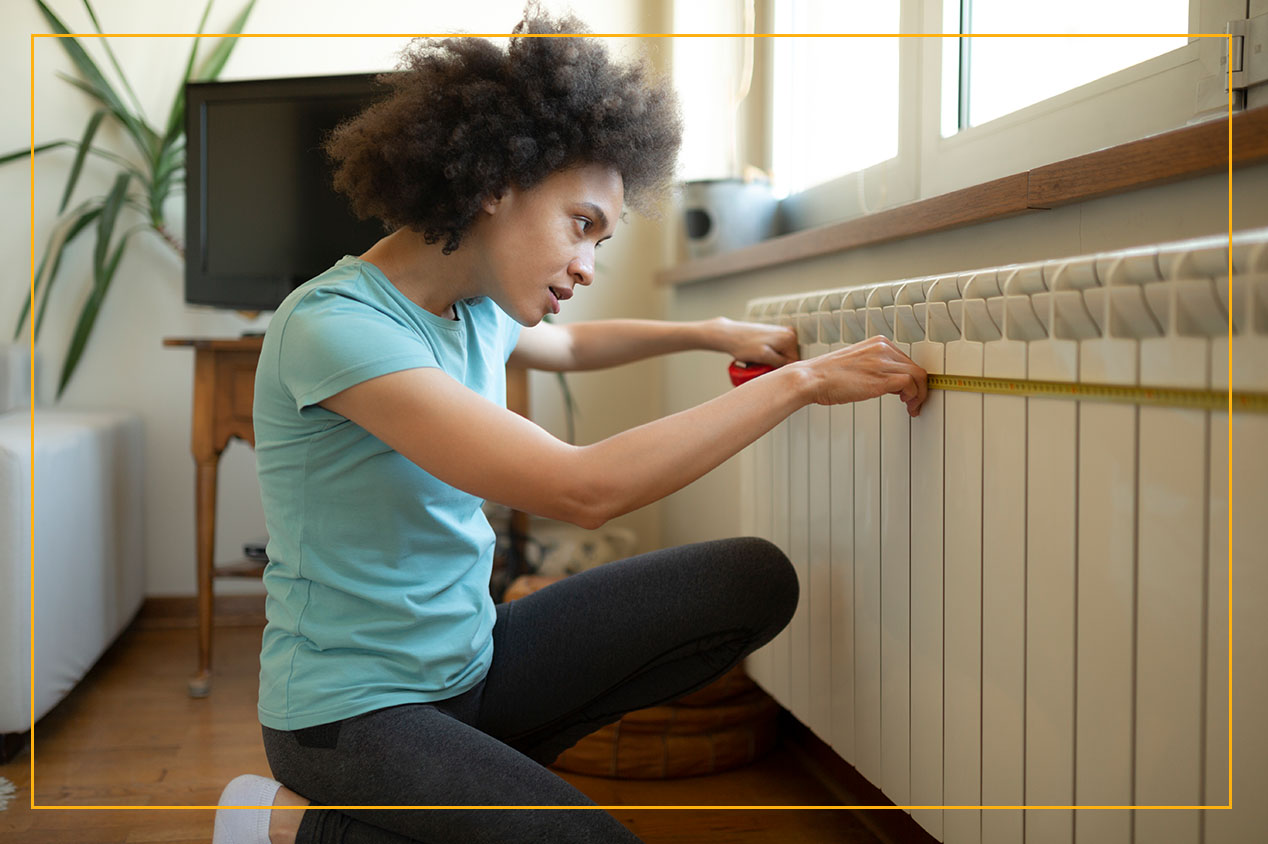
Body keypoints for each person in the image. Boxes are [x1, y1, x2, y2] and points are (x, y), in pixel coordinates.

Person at [212, 6, 927, 844]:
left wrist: (709, 331)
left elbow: (574, 343)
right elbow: (580, 488)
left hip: (473, 662)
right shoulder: (335, 326)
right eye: (581, 225)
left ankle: (464, 786)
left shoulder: (474, 301)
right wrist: (800, 384)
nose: (588, 265)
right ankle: (281, 827)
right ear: (494, 183)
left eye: (603, 239)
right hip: (348, 715)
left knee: (753, 579)